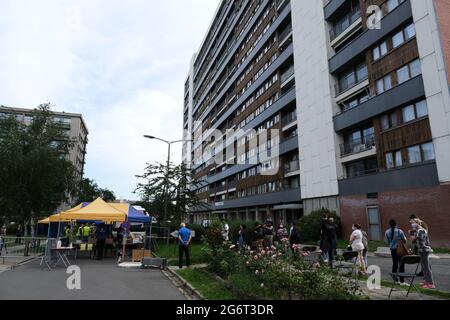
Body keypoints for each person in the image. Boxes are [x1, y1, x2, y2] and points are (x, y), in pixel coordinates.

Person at [410, 219, 435, 289]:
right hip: (421, 250)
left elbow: (419, 239)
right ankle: (427, 281)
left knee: (426, 267)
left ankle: (431, 283)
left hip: (424, 250)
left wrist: (413, 237)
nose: (412, 225)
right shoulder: (419, 230)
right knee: (424, 267)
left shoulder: (421, 230)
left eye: (413, 223)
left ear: (417, 223)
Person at [385, 219, 408, 285]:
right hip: (400, 250)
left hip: (393, 250)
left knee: (395, 264)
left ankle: (395, 279)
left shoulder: (387, 232)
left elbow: (387, 242)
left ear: (389, 224)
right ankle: (402, 281)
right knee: (401, 265)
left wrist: (392, 243)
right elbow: (405, 240)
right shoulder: (399, 231)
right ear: (396, 224)